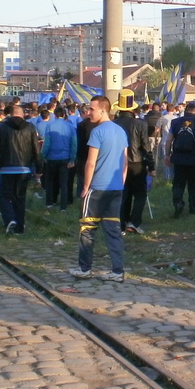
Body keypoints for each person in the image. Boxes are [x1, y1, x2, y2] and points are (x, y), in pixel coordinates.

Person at [69, 96, 129, 282]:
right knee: (113, 230)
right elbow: (125, 159)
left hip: (97, 189)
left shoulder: (97, 132)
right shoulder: (120, 131)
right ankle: (118, 271)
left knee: (87, 229)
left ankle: (84, 268)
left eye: (92, 109)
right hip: (116, 188)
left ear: (103, 110)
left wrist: (86, 186)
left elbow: (90, 162)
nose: (89, 113)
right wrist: (122, 181)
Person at [0, 104, 42, 235]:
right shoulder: (30, 127)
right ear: (22, 115)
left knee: (4, 196)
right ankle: (20, 226)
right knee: (20, 197)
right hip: (24, 168)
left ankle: (10, 220)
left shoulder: (2, 127)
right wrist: (39, 167)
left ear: (10, 114)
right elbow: (36, 149)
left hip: (6, 168)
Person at [112, 89, 153, 234]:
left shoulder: (114, 124)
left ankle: (122, 224)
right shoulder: (140, 124)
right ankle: (134, 222)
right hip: (137, 163)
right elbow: (145, 146)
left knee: (124, 194)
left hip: (118, 164)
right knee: (140, 194)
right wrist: (151, 165)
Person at [167, 100, 195, 217]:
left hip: (178, 158)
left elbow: (169, 140)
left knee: (178, 184)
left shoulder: (175, 122)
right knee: (194, 185)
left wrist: (167, 155)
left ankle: (178, 203)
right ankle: (194, 208)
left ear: (187, 109)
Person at [41, 106, 77, 212]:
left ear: (55, 115)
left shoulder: (50, 125)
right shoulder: (70, 127)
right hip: (65, 157)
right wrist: (72, 159)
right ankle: (63, 207)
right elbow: (74, 144)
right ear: (64, 114)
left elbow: (46, 143)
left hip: (51, 157)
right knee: (64, 183)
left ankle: (49, 203)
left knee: (50, 181)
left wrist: (43, 156)